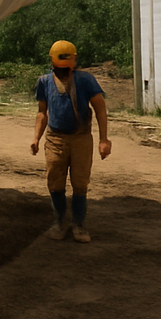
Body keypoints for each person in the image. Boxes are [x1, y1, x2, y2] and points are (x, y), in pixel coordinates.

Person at [31, 40, 111, 244]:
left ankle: (79, 224)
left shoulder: (85, 80)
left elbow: (100, 109)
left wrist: (104, 139)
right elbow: (42, 113)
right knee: (55, 182)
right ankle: (60, 221)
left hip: (81, 139)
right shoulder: (45, 82)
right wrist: (36, 138)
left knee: (80, 183)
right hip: (55, 139)